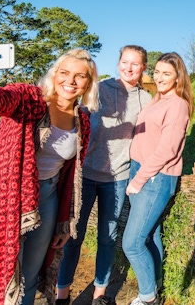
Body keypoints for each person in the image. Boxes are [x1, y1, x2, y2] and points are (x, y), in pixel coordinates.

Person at [0, 40, 99, 305]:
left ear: (89, 83)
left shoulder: (83, 121)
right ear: (54, 74)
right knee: (4, 275)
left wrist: (64, 222)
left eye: (80, 76)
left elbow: (71, 177)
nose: (71, 81)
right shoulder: (29, 98)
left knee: (31, 274)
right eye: (65, 73)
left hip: (47, 199)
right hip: (5, 198)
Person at [56, 45, 152, 305]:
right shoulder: (99, 89)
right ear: (118, 62)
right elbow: (76, 119)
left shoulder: (147, 100)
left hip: (118, 178)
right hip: (86, 173)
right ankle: (61, 294)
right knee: (73, 236)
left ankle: (100, 294)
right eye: (124, 62)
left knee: (107, 238)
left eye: (135, 64)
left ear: (143, 67)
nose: (128, 68)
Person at [122, 52, 194, 305]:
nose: (160, 77)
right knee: (150, 235)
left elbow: (168, 150)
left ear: (177, 78)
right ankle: (155, 286)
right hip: (144, 171)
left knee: (131, 244)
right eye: (158, 72)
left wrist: (139, 179)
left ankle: (148, 298)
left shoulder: (177, 105)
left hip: (155, 177)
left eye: (167, 73)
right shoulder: (157, 100)